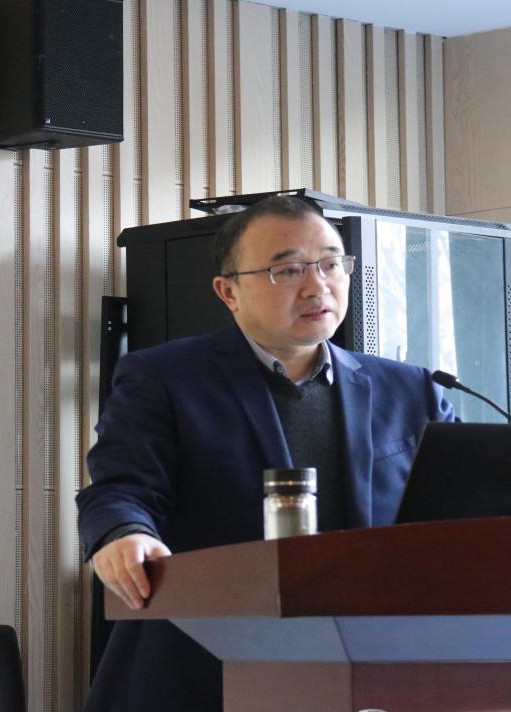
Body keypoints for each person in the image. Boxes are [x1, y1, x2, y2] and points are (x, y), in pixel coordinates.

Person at [76, 195, 454, 712]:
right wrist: (124, 534)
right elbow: (121, 487)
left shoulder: (411, 390)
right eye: (289, 270)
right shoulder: (165, 378)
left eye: (330, 264)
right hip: (204, 669)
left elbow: (465, 505)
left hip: (366, 674)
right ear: (228, 291)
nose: (317, 285)